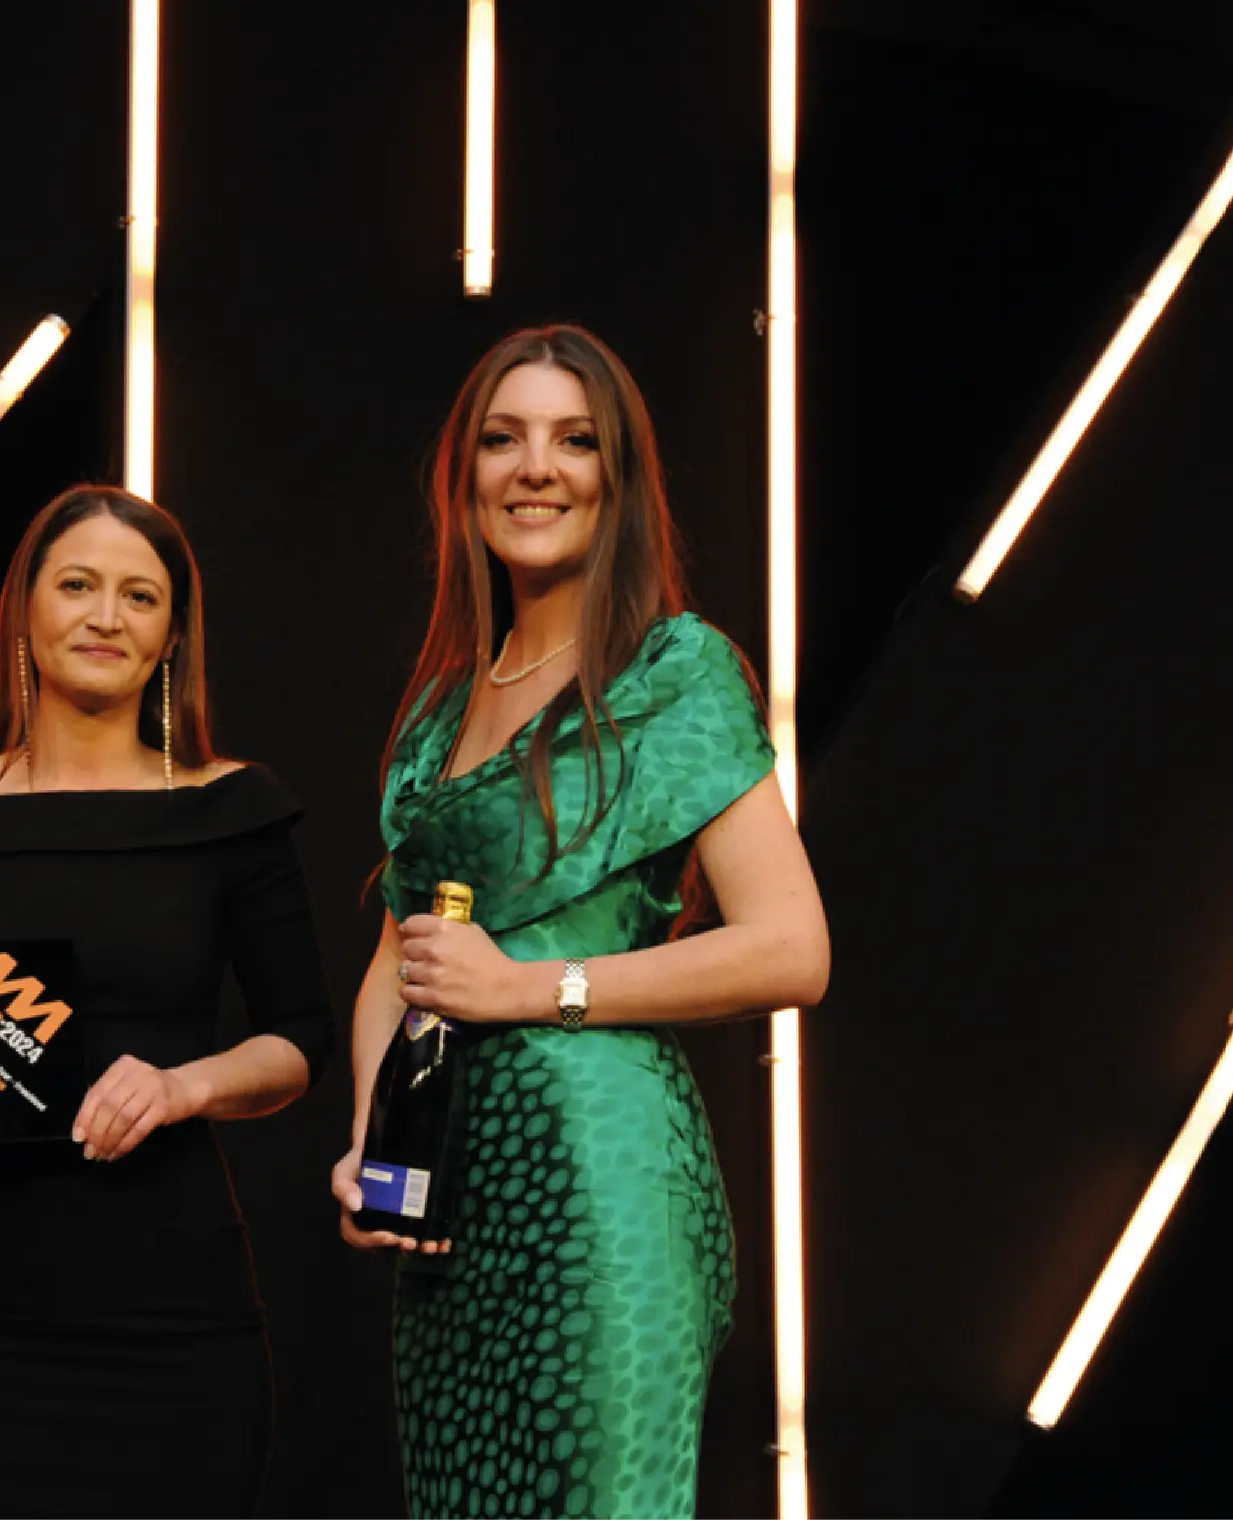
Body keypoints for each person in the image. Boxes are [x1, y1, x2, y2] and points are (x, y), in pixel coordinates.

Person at [330, 327, 831, 1519]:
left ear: (619, 479)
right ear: (464, 476)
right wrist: (372, 1146)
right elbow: (397, 960)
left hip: (604, 1182)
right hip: (450, 1205)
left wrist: (526, 987)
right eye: (502, 438)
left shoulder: (674, 669)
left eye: (575, 439)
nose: (535, 467)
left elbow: (792, 947)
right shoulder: (440, 706)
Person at [0, 485, 334, 1519]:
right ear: (24, 608)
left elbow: (298, 1039)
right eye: (77, 585)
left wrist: (183, 1086)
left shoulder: (228, 807)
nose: (105, 616)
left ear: (173, 635)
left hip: (175, 1315)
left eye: (139, 596)